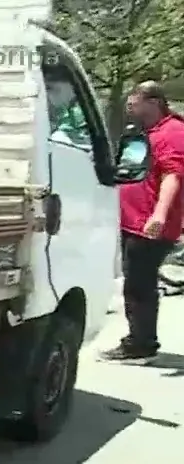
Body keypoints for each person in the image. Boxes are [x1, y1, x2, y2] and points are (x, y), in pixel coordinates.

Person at [103, 80, 184, 363]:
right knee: (137, 282)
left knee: (139, 284)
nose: (129, 104)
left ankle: (140, 343)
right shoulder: (145, 133)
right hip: (134, 221)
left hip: (149, 225)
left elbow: (173, 176)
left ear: (153, 102)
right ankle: (140, 339)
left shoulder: (172, 132)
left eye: (134, 99)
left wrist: (159, 216)